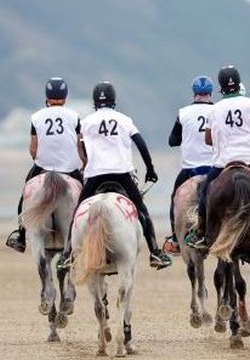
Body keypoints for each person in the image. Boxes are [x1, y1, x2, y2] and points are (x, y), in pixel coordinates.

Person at [63, 81, 172, 269]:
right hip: (122, 174)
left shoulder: (86, 122)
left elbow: (79, 146)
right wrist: (150, 168)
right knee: (142, 211)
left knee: (77, 213)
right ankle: (155, 251)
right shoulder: (124, 119)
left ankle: (67, 254)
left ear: (95, 102)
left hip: (96, 175)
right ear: (113, 101)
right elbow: (141, 144)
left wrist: (85, 162)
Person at [184, 65, 250, 252]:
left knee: (205, 194)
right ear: (238, 83)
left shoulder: (215, 109)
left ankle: (202, 233)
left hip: (223, 161)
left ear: (221, 86)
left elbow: (208, 139)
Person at [6, 77, 86, 253]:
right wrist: (84, 162)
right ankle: (85, 232)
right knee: (86, 197)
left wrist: (39, 158)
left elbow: (33, 149)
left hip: (43, 166)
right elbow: (80, 144)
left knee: (23, 198)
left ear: (47, 96)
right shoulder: (74, 116)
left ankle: (20, 235)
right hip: (70, 168)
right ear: (65, 97)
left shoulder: (36, 117)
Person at [162, 76, 214, 255]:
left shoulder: (183, 113)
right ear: (211, 93)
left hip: (190, 169)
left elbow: (172, 141)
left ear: (194, 93)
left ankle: (176, 240)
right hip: (216, 168)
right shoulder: (218, 110)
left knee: (174, 199)